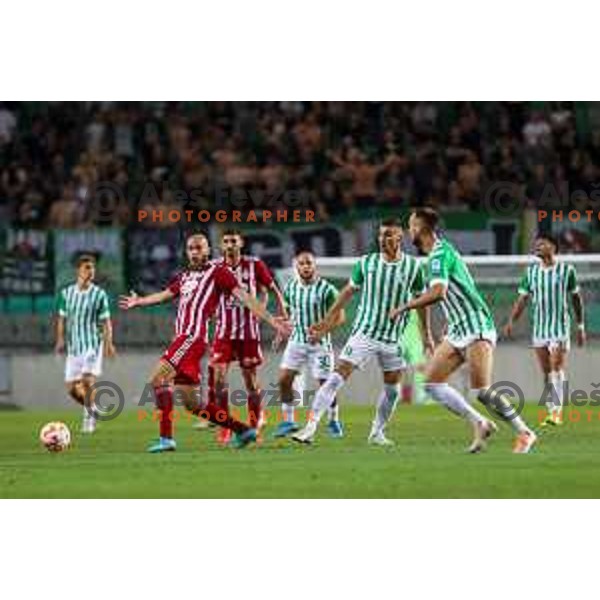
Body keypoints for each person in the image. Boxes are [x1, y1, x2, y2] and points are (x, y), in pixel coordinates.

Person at [119, 233, 291, 452]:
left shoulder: (218, 272)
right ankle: (243, 430)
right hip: (184, 338)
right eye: (191, 248)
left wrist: (272, 320)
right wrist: (139, 301)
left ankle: (166, 438)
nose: (195, 252)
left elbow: (245, 297)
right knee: (193, 404)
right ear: (187, 252)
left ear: (208, 250)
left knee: (158, 380)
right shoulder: (184, 277)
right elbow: (165, 294)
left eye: (199, 248)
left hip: (191, 337)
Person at [391, 207, 537, 453]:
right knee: (431, 384)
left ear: (421, 228)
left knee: (481, 390)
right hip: (458, 328)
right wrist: (446, 322)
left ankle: (525, 432)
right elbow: (458, 289)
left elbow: (439, 293)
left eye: (411, 225)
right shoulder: (438, 255)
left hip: (476, 325)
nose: (408, 231)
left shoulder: (438, 255)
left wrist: (404, 307)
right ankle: (480, 423)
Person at [292, 217, 433, 446]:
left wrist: (426, 334)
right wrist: (327, 320)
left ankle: (377, 432)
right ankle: (309, 428)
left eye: (388, 234)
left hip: (392, 339)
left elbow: (422, 302)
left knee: (393, 391)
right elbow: (347, 292)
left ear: (400, 237)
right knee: (335, 378)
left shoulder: (413, 267)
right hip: (364, 334)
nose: (382, 239)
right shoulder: (366, 263)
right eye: (380, 234)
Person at [209, 229, 287, 444]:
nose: (230, 245)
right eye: (226, 241)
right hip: (223, 332)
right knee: (218, 380)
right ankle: (225, 426)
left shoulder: (254, 264)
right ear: (221, 245)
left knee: (250, 382)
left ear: (241, 243)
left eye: (233, 241)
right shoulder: (214, 267)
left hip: (248, 332)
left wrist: (275, 313)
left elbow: (271, 289)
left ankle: (255, 421)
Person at [504, 233, 586, 425]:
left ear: (553, 247)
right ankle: (551, 409)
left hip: (560, 326)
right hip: (540, 328)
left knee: (556, 366)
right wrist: (511, 321)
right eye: (537, 244)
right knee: (547, 371)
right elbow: (522, 300)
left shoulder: (567, 271)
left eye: (542, 244)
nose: (538, 247)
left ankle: (557, 411)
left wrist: (580, 325)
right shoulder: (531, 273)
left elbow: (576, 299)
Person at [273, 250, 345, 438]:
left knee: (325, 384)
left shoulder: (327, 289)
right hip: (296, 342)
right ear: (296, 266)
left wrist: (322, 331)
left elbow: (341, 317)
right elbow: (289, 316)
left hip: (320, 345)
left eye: (309, 263)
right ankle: (289, 421)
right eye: (302, 263)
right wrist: (281, 332)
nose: (306, 267)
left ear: (315, 266)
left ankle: (333, 419)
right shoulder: (290, 288)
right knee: (283, 380)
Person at [55, 254, 116, 433]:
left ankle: (88, 418)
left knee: (87, 380)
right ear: (78, 271)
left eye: (92, 268)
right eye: (87, 268)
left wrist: (108, 344)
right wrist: (60, 339)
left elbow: (106, 321)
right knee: (72, 389)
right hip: (74, 348)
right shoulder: (67, 293)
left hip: (92, 344)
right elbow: (62, 318)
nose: (91, 271)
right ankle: (93, 407)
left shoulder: (99, 294)